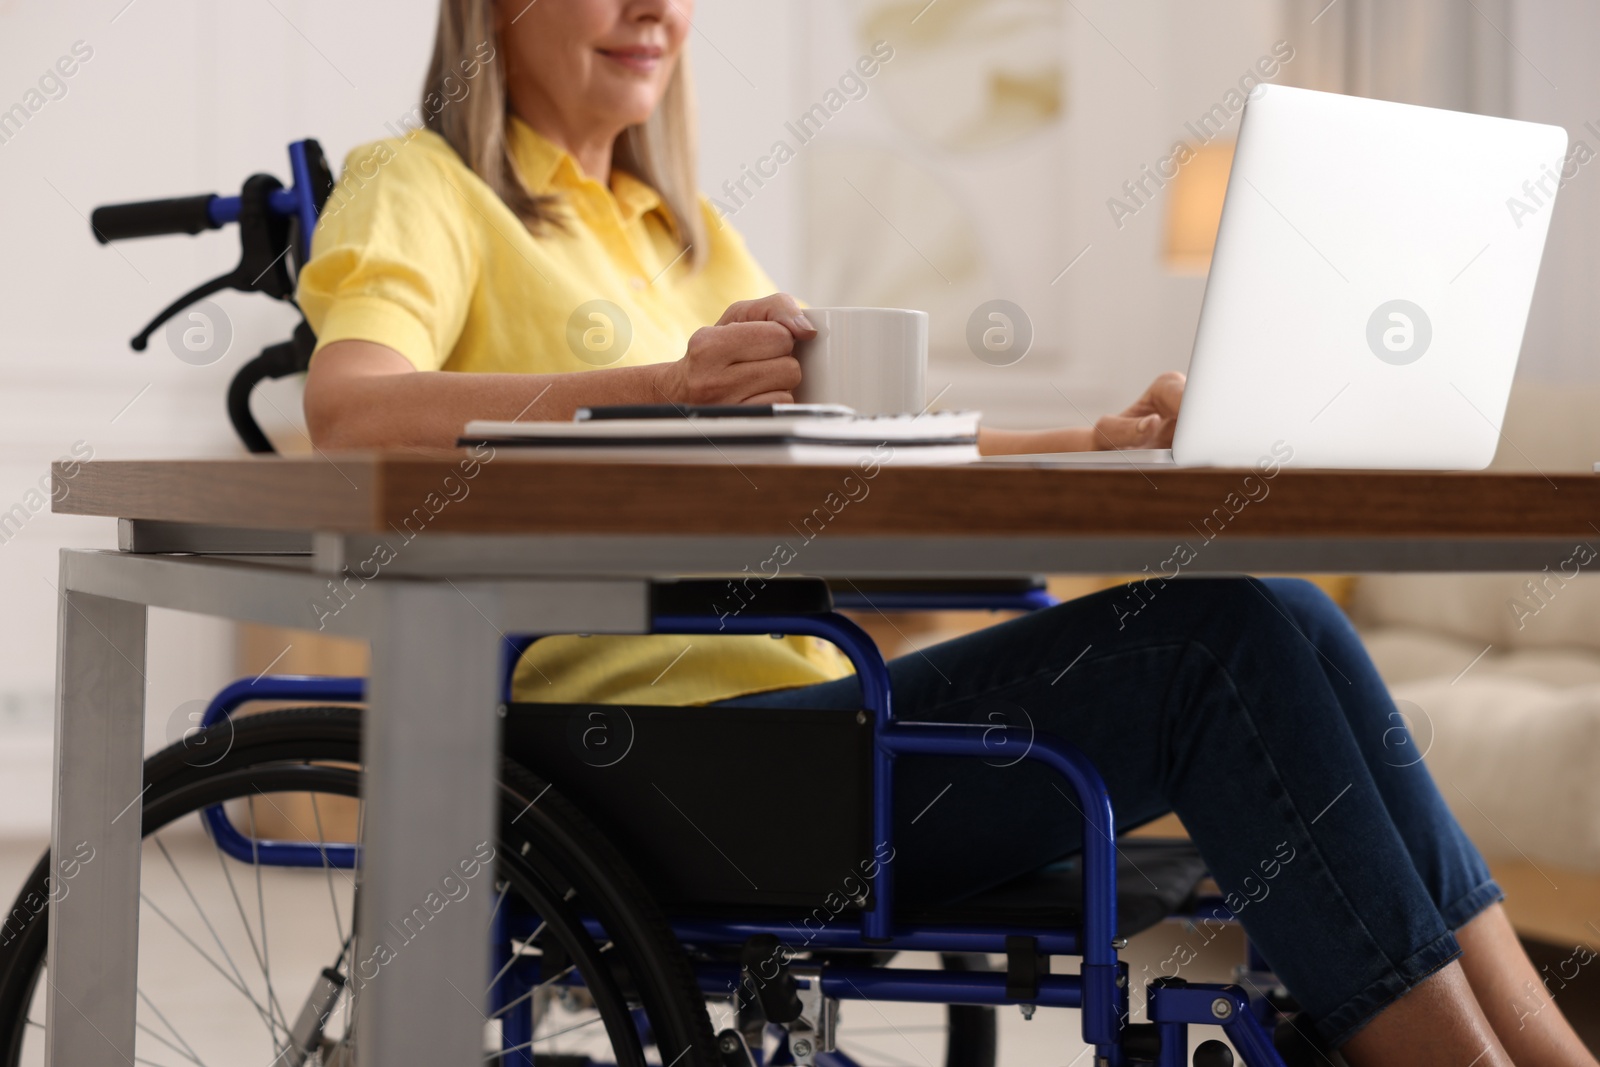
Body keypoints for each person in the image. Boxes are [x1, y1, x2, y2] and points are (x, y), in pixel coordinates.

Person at [295, 2, 1598, 1064]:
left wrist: (1087, 445)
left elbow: (861, 442)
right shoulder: (422, 187)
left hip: (805, 726)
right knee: (1219, 641)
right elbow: (352, 410)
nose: (659, 14)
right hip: (646, 764)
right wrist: (663, 388)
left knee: (1285, 611)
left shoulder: (684, 237)